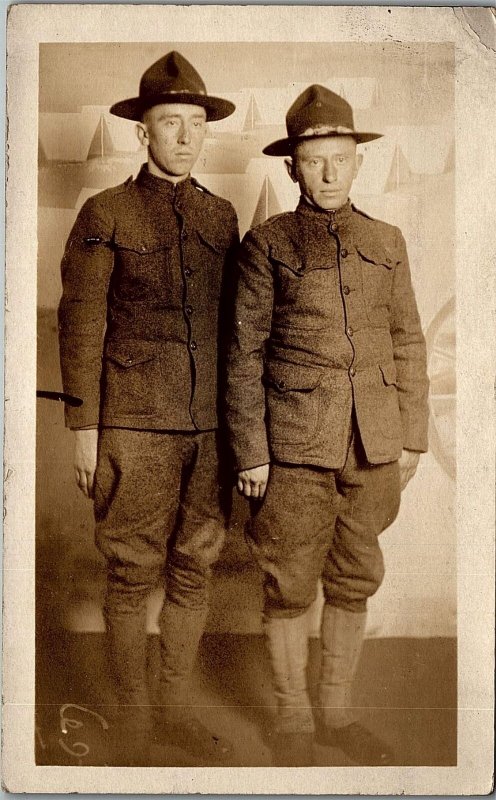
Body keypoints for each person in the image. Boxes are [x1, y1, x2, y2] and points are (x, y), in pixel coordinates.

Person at [225, 84, 429, 767]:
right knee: (289, 582)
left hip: (374, 446)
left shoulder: (387, 240)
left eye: (342, 158)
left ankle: (336, 713)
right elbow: (243, 352)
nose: (331, 172)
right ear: (293, 168)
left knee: (355, 575)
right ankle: (291, 719)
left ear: (359, 161)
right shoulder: (268, 243)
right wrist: (251, 452)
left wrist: (412, 434)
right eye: (316, 161)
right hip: (292, 451)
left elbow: (408, 340)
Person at [58, 51, 239, 765]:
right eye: (172, 124)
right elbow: (79, 323)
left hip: (211, 426)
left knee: (194, 570)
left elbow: (239, 327)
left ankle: (174, 712)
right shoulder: (104, 212)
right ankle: (133, 722)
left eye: (197, 125)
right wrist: (83, 429)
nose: (187, 138)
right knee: (132, 573)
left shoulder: (222, 217)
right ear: (144, 134)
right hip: (132, 426)